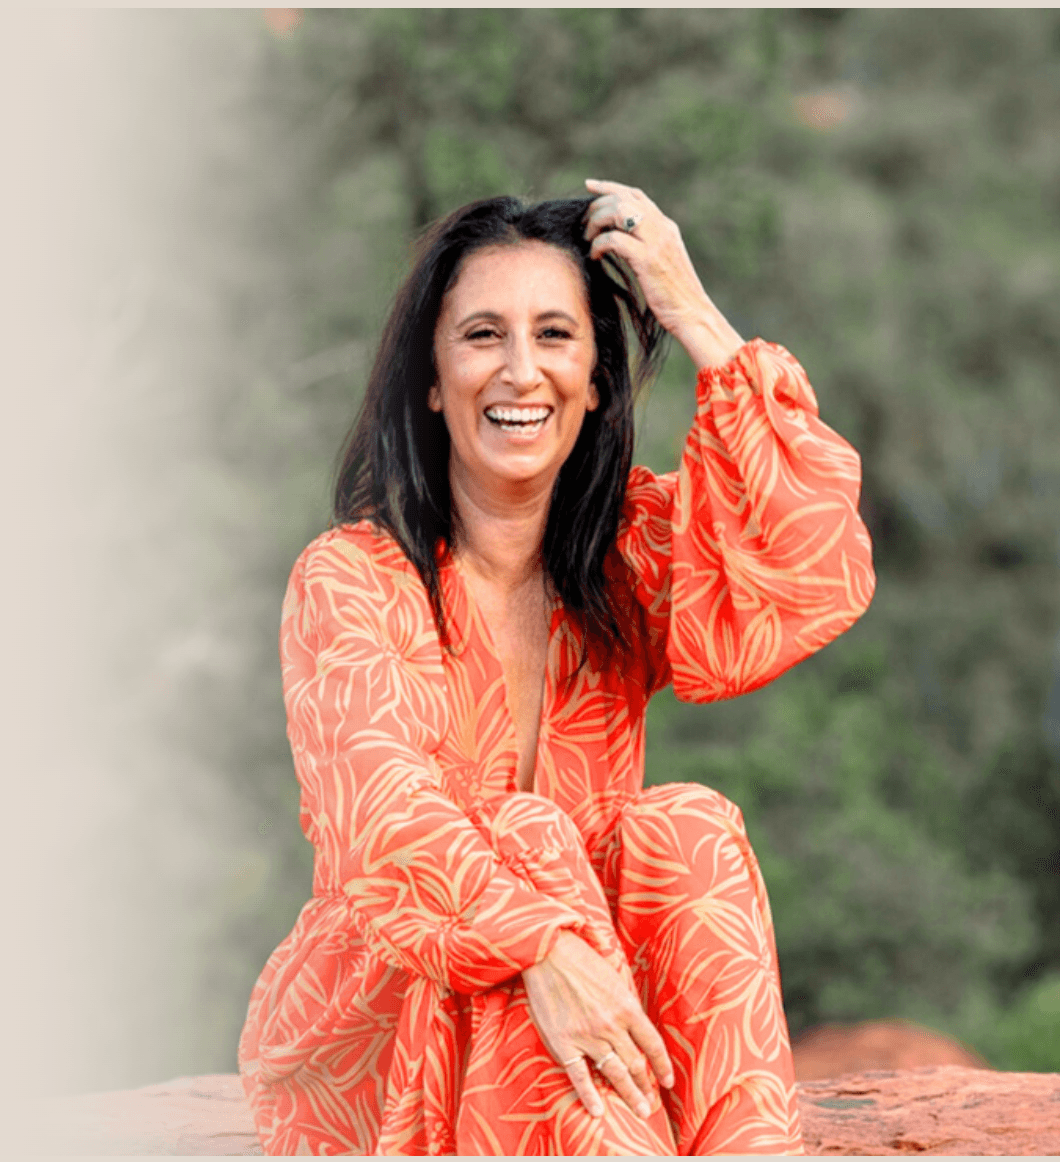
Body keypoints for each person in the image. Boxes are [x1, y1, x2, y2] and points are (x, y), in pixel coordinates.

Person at [238, 180, 876, 1156]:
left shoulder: (623, 556)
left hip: (591, 1008)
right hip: (395, 1022)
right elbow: (385, 818)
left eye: (555, 336)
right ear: (432, 379)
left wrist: (691, 313)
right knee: (526, 834)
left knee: (688, 826)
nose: (521, 371)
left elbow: (815, 563)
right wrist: (539, 944)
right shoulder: (353, 577)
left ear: (596, 380)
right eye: (482, 336)